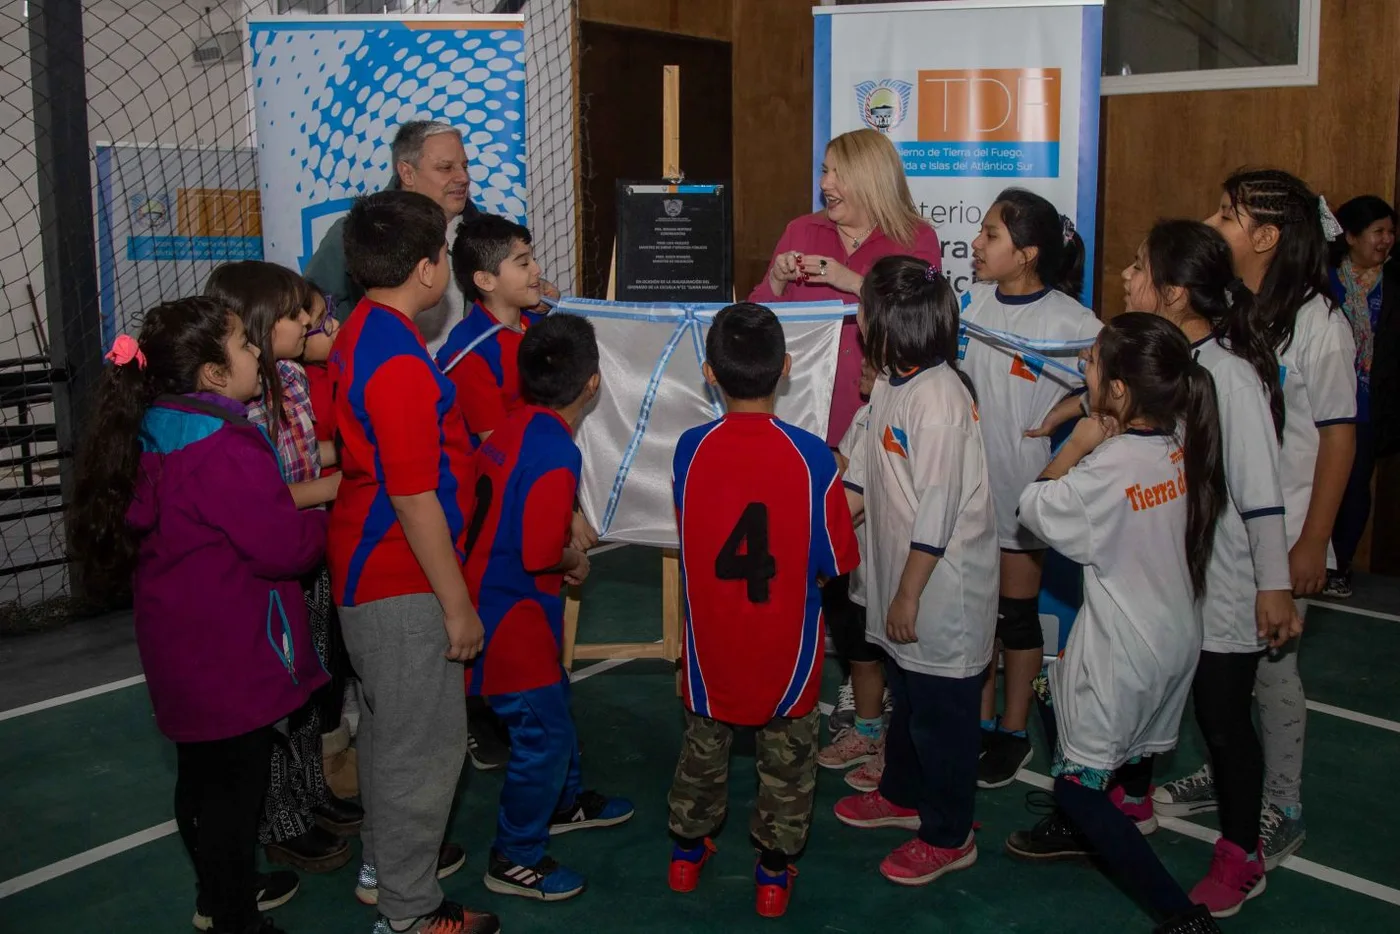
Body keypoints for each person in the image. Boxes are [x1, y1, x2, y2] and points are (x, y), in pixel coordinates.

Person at [70, 297, 329, 934]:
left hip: (178, 643)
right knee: (235, 792)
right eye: (244, 345)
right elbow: (279, 547)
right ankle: (235, 913)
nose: (255, 355)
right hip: (230, 647)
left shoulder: (152, 426)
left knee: (202, 779)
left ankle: (220, 889)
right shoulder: (221, 442)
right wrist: (325, 520)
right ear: (212, 372)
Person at [1155, 170, 1358, 875]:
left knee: (1272, 672)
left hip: (1285, 530)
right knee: (1221, 676)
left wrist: (1309, 544)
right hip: (1222, 531)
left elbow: (1337, 437)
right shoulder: (1237, 309)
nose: (1213, 221)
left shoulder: (1319, 325)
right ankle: (1228, 775)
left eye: (1229, 214)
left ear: (1267, 237)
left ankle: (1283, 804)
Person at [1010, 313, 1228, 934]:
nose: (1084, 367)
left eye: (1093, 362)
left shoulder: (1110, 467)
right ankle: (1082, 819)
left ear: (1122, 392)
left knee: (1081, 787)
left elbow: (1034, 508)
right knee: (1051, 688)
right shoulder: (1182, 437)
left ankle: (1179, 915)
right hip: (1174, 635)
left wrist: (1078, 444)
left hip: (1124, 647)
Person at [327, 190, 498, 934]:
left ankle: (383, 871)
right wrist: (456, 603)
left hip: (376, 566)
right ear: (432, 271)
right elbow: (414, 494)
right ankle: (410, 912)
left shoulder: (364, 327)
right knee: (419, 751)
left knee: (387, 731)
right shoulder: (395, 358)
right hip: (400, 577)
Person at [748, 126, 941, 751]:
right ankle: (856, 705)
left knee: (875, 576)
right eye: (824, 171)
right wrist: (777, 283)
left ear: (869, 178)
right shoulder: (802, 231)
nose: (824, 183)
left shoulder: (916, 240)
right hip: (804, 430)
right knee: (825, 571)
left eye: (835, 172)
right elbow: (754, 321)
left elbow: (924, 329)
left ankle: (875, 712)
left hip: (880, 430)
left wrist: (851, 280)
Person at [667, 303, 860, 918]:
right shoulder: (811, 458)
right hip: (789, 647)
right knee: (788, 764)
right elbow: (836, 561)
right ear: (786, 369)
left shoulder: (688, 450)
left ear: (709, 373)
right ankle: (773, 874)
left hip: (711, 644)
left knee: (703, 749)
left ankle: (686, 854)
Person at [833, 256, 997, 888]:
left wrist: (906, 595)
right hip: (899, 580)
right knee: (910, 701)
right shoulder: (892, 385)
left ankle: (949, 834)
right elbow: (861, 480)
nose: (857, 315)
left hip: (937, 590)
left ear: (889, 323)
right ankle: (902, 793)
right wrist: (821, 538)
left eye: (864, 307)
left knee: (943, 719)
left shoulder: (941, 401)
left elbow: (938, 509)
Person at [464, 312, 634, 902]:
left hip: (495, 597)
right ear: (592, 386)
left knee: (554, 708)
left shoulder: (513, 429)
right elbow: (541, 551)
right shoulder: (556, 452)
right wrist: (574, 559)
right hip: (512, 613)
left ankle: (563, 803)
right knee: (543, 734)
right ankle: (515, 855)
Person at [204, 261, 359, 883]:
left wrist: (354, 452)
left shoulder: (291, 378)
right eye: (295, 314)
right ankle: (282, 818)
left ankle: (309, 792)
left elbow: (302, 455)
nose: (308, 323)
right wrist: (344, 482)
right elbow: (272, 493)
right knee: (275, 696)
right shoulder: (236, 407)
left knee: (311, 684)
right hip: (275, 565)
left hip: (308, 552)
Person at [438, 212, 598, 772]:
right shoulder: (472, 352)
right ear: (484, 280)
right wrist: (563, 519)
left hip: (520, 507)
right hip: (483, 518)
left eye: (533, 259)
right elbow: (500, 454)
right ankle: (481, 716)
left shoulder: (530, 332)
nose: (537, 272)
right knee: (501, 618)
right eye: (523, 263)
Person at [958, 188, 1102, 789]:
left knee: (1015, 617)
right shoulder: (969, 303)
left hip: (1022, 495)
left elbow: (1115, 388)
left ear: (1028, 253)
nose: (976, 244)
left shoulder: (1072, 323)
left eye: (991, 235)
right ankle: (979, 719)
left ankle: (1013, 732)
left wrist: (1061, 415)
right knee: (977, 618)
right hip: (965, 491)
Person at [303, 120, 556, 352]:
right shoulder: (357, 232)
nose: (463, 177)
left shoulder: (487, 235)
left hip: (466, 381)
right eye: (445, 168)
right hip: (392, 377)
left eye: (465, 166)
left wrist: (530, 293)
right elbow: (308, 308)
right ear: (407, 173)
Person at [817, 359, 888, 780]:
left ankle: (895, 752)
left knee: (892, 658)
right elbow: (844, 462)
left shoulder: (900, 416)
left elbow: (854, 502)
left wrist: (813, 546)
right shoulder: (863, 414)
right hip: (849, 559)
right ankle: (867, 732)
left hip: (879, 559)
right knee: (857, 650)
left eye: (872, 361)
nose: (861, 364)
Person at [1324, 195, 1397, 597]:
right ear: (1350, 237)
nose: (1386, 240)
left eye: (1391, 232)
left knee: (1354, 488)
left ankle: (1341, 563)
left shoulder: (1395, 283)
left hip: (1369, 407)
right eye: (1377, 232)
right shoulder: (1324, 280)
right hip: (1324, 402)